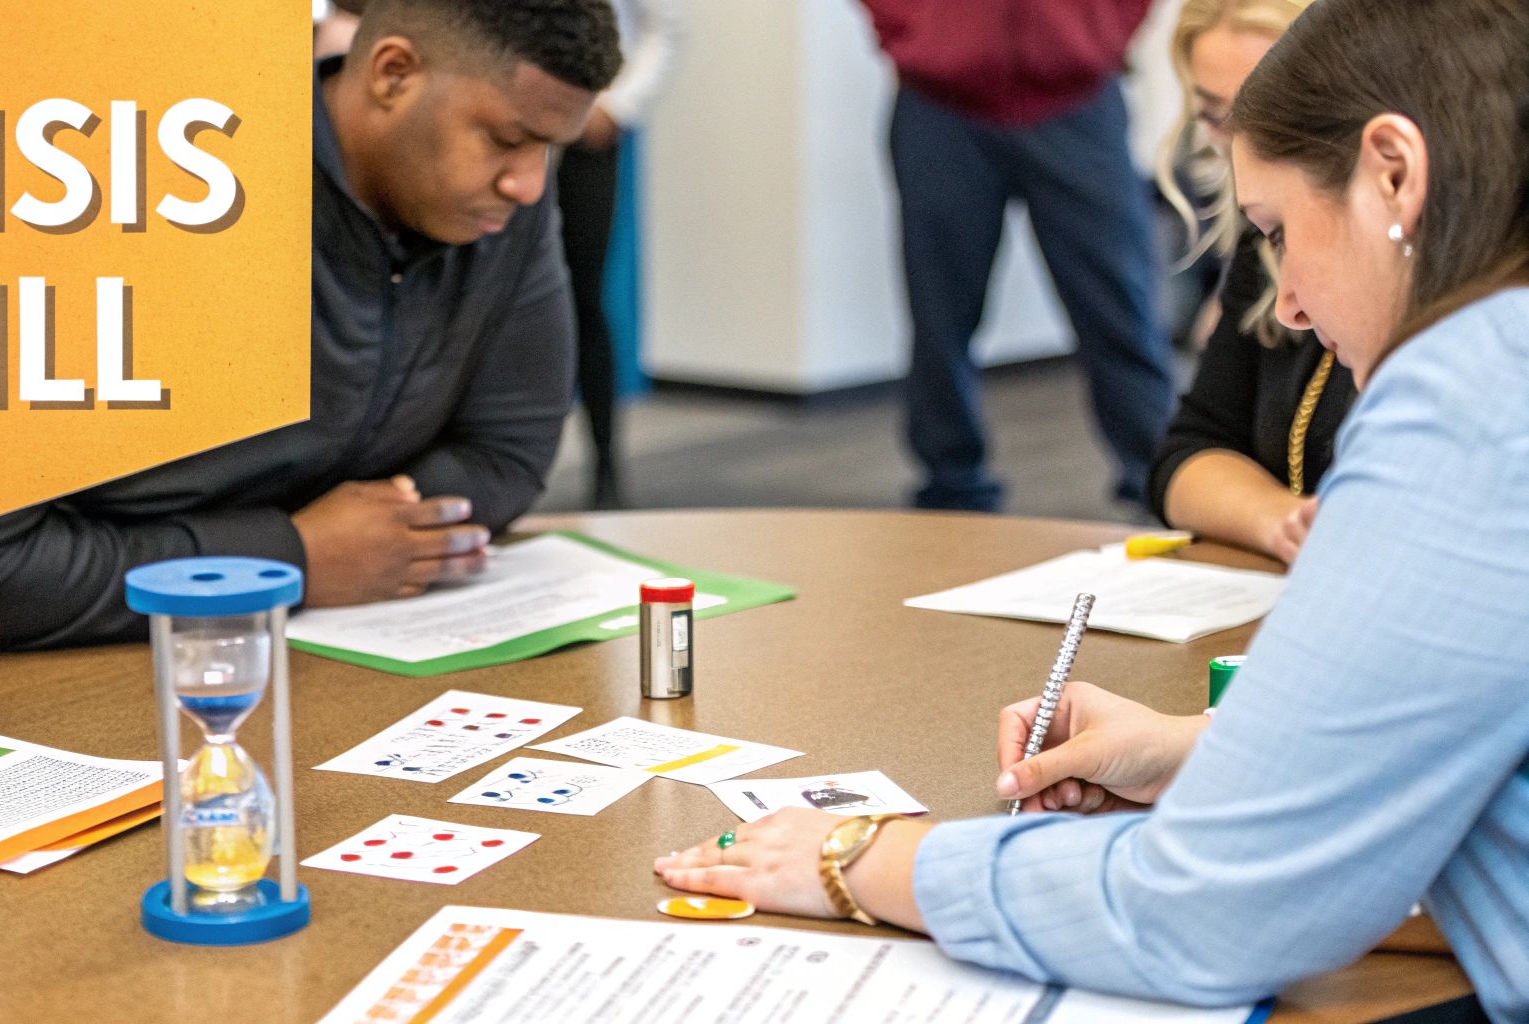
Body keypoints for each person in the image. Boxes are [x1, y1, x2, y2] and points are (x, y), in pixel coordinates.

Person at [655, 0, 1529, 1017]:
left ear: (1392, 171)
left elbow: (1208, 915)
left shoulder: (1465, 394)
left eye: (1277, 230)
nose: (1283, 302)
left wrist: (866, 855)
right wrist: (1195, 748)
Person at [0, 0, 624, 703]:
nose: (528, 182)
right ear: (393, 73)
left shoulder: (494, 211)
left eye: (550, 147)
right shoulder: (128, 194)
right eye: (506, 139)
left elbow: (506, 459)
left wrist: (361, 541)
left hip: (235, 656)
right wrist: (292, 554)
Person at [861, 0, 1176, 513]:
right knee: (940, 315)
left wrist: (1099, 34)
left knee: (1120, 302)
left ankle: (1161, 477)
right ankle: (950, 482)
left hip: (1078, 98)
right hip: (940, 104)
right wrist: (914, 32)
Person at [1147, 0, 1355, 565]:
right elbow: (1188, 451)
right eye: (1218, 116)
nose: (1244, 148)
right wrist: (1288, 525)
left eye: (1269, 118)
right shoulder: (1257, 247)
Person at [557, 0, 684, 509]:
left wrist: (618, 105)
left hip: (587, 133)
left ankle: (606, 468)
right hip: (500, 114)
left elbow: (667, 28)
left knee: (585, 300)